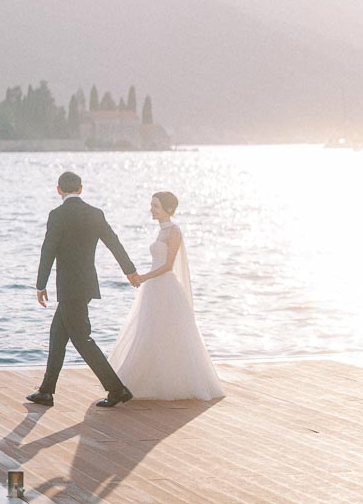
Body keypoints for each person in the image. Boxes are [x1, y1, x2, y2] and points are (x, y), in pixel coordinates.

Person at [27, 171, 141, 409]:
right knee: (57, 335)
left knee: (82, 339)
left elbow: (48, 249)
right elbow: (114, 242)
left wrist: (41, 283)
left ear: (58, 190)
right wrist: (129, 270)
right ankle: (46, 391)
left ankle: (117, 389)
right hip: (86, 284)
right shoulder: (94, 213)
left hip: (68, 287)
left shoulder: (57, 215)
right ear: (81, 189)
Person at [108, 191, 224, 401]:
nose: (152, 209)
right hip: (154, 288)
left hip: (165, 287)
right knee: (149, 331)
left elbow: (168, 266)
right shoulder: (161, 232)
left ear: (168, 210)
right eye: (152, 205)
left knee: (169, 333)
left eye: (156, 206)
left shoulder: (174, 232)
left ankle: (176, 383)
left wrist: (143, 277)